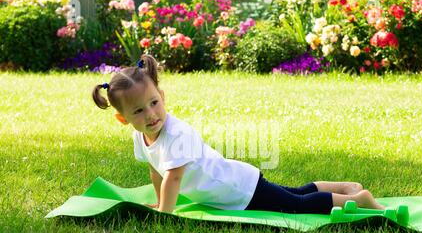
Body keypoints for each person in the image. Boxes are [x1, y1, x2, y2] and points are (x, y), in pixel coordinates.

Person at [91, 54, 386, 214]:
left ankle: (358, 200)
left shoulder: (176, 133)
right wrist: (159, 201)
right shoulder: (140, 137)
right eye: (139, 111)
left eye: (154, 103)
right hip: (232, 184)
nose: (151, 114)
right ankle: (344, 186)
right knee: (291, 194)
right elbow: (157, 171)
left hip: (237, 188)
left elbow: (174, 178)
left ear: (163, 97)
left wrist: (164, 214)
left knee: (294, 206)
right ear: (122, 119)